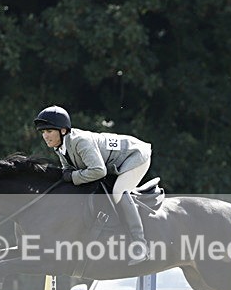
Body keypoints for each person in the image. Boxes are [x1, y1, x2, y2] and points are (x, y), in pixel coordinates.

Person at [34, 105, 152, 264]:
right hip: (113, 163)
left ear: (62, 130)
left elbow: (98, 171)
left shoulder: (80, 141)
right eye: (43, 132)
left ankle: (140, 246)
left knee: (118, 192)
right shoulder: (60, 147)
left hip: (135, 156)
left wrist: (73, 177)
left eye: (49, 131)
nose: (45, 136)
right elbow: (68, 170)